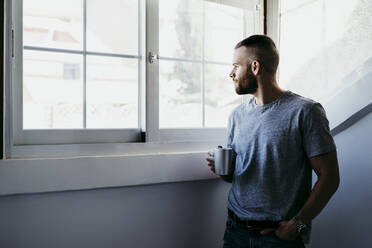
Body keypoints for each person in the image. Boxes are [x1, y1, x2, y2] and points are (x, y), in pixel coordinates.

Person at [206, 35, 340, 248]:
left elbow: (330, 177)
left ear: (255, 67)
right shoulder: (237, 115)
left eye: (236, 67)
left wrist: (297, 224)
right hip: (235, 231)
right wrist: (222, 170)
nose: (230, 74)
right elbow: (237, 177)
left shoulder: (305, 111)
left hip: (278, 238)